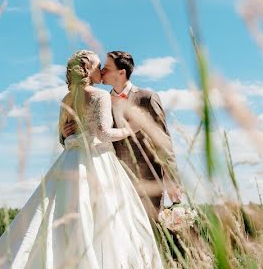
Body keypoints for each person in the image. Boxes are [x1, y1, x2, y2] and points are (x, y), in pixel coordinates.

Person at [0, 50, 163, 268]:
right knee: (104, 217)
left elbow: (62, 137)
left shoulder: (66, 99)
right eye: (96, 65)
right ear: (86, 69)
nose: (100, 69)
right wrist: (130, 130)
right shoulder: (99, 95)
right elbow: (103, 134)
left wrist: (68, 136)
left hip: (70, 160)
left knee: (61, 212)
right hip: (96, 160)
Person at [63, 50, 181, 220]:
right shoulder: (99, 100)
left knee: (151, 236)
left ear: (121, 72)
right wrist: (67, 132)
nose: (102, 70)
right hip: (112, 181)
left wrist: (171, 180)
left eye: (107, 68)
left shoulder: (147, 98)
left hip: (147, 181)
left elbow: (163, 142)